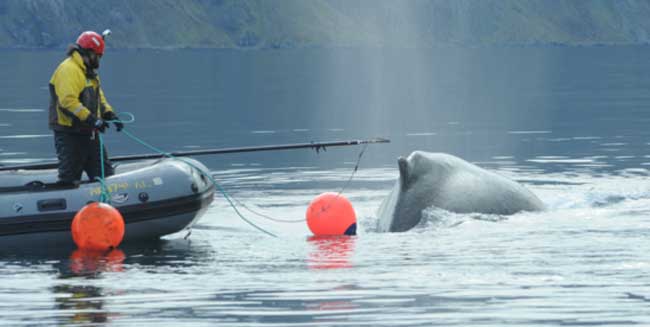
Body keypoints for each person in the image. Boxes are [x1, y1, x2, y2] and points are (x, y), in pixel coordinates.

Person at [48, 31, 123, 186]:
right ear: (90, 53)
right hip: (70, 133)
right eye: (98, 56)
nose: (99, 60)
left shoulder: (88, 73)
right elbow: (68, 102)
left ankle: (107, 204)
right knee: (69, 179)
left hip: (89, 133)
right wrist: (92, 120)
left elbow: (99, 97)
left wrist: (109, 113)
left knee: (104, 175)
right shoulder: (69, 70)